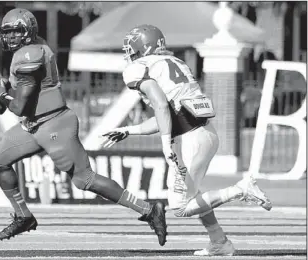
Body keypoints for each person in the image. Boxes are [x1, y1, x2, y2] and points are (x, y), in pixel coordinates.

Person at [0, 9, 167, 245]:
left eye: (16, 31)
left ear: (28, 32)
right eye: (7, 32)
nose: (10, 37)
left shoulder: (29, 55)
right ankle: (23, 216)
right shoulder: (31, 48)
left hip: (54, 124)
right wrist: (6, 89)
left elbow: (18, 106)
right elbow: (26, 97)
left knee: (84, 179)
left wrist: (2, 94)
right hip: (33, 124)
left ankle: (149, 210)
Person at [101, 24, 272, 256]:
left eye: (132, 48)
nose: (129, 53)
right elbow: (169, 114)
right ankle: (219, 241)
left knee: (180, 207)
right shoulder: (176, 63)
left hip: (188, 141)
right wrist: (130, 130)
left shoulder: (138, 68)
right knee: (194, 194)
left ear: (144, 47)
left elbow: (161, 106)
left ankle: (241, 189)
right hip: (205, 135)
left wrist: (164, 144)